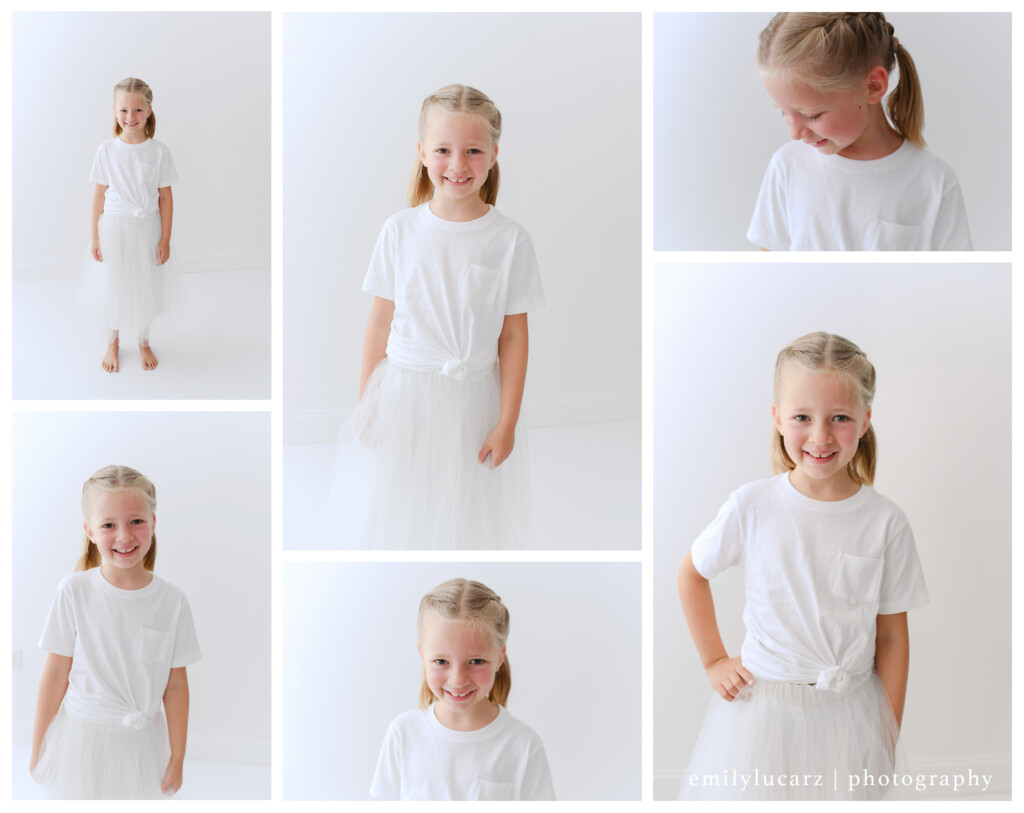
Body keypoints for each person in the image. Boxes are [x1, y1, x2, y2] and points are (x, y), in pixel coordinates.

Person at [677, 332, 929, 800]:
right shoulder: (752, 505)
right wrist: (713, 659)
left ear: (865, 420)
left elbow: (893, 637)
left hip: (848, 716)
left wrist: (886, 739)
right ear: (776, 418)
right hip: (762, 716)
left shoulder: (885, 522)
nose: (820, 436)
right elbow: (692, 574)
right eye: (801, 417)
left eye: (839, 418)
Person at [327, 84, 544, 550]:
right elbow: (380, 322)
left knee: (464, 503)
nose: (458, 164)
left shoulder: (509, 240)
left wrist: (506, 422)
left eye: (472, 150)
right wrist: (368, 403)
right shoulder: (400, 230)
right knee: (404, 499)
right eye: (443, 150)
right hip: (406, 395)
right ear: (422, 152)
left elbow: (513, 338)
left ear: (493, 154)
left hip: (473, 402)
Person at [30, 465, 201, 799]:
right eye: (109, 525)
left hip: (141, 746)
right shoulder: (74, 592)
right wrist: (39, 748)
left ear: (153, 522)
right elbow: (54, 674)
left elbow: (176, 685)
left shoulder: (172, 602)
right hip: (82, 742)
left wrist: (177, 757)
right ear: (90, 531)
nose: (124, 535)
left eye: (136, 521)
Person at [749, 12, 971, 250]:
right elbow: (769, 270)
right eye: (783, 112)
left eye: (810, 115)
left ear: (873, 86)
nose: (795, 134)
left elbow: (954, 279)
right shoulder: (787, 166)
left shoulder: (934, 183)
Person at [371, 578, 555, 800]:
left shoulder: (523, 745)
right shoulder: (403, 734)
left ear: (499, 657)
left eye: (476, 661)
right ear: (422, 655)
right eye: (441, 661)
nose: (458, 681)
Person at [83, 77, 181, 372]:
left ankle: (143, 339)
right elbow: (98, 195)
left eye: (138, 110)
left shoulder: (159, 151)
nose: (131, 117)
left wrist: (164, 239)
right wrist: (95, 237)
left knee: (144, 286)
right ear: (115, 111)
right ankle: (112, 341)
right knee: (115, 285)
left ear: (149, 111)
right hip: (114, 229)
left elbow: (165, 198)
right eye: (124, 111)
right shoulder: (107, 150)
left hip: (146, 230)